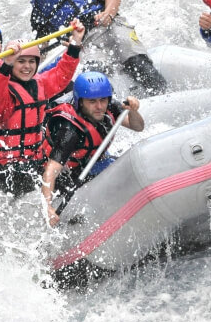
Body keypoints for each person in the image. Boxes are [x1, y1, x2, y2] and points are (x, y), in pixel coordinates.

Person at [17, 0, 167, 96]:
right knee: (96, 80)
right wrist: (19, 60)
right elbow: (41, 50)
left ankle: (163, 93)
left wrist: (107, 14)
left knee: (137, 63)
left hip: (111, 27)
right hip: (86, 45)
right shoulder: (38, 11)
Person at [0, 19, 85, 198]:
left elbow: (61, 75)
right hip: (6, 169)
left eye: (32, 61)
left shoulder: (39, 84)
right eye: (20, 61)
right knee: (53, 188)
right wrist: (7, 64)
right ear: (9, 64)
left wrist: (75, 45)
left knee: (70, 184)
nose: (27, 66)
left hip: (33, 162)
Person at [42, 71, 144, 226]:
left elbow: (138, 127)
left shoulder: (110, 107)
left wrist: (133, 111)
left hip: (92, 161)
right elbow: (51, 171)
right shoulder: (70, 131)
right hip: (67, 174)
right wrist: (48, 207)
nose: (99, 106)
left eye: (103, 100)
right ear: (80, 102)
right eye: (92, 102)